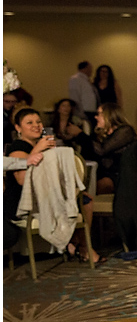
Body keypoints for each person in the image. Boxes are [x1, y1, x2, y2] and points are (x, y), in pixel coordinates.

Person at [5, 107, 101, 263]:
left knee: (85, 199)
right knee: (81, 202)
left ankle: (77, 244)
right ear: (18, 128)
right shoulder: (18, 147)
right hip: (21, 202)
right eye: (29, 123)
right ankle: (81, 246)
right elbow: (22, 179)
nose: (36, 125)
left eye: (38, 122)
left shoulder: (41, 146)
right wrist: (38, 149)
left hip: (43, 196)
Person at [90, 103, 137, 195]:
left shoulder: (125, 131)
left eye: (99, 114)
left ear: (109, 116)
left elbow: (102, 150)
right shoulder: (101, 134)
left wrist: (81, 135)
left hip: (121, 175)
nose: (96, 117)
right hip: (102, 172)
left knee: (97, 186)